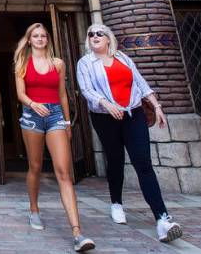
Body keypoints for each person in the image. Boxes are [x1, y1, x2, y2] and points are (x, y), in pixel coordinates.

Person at [76, 23, 183, 243]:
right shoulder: (85, 63)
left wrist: (157, 106)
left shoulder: (123, 58)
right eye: (91, 34)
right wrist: (105, 103)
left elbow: (141, 83)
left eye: (100, 33)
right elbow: (86, 90)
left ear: (108, 39)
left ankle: (162, 219)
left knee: (143, 162)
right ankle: (116, 203)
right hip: (105, 118)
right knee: (115, 160)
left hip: (133, 115)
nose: (95, 36)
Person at [14, 23, 95, 251]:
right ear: (29, 40)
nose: (40, 39)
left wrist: (68, 122)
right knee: (36, 167)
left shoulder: (58, 63)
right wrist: (33, 104)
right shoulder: (22, 63)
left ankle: (77, 232)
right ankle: (34, 209)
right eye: (35, 36)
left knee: (63, 171)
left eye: (43, 36)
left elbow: (62, 95)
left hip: (55, 116)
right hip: (31, 115)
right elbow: (20, 93)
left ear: (47, 39)